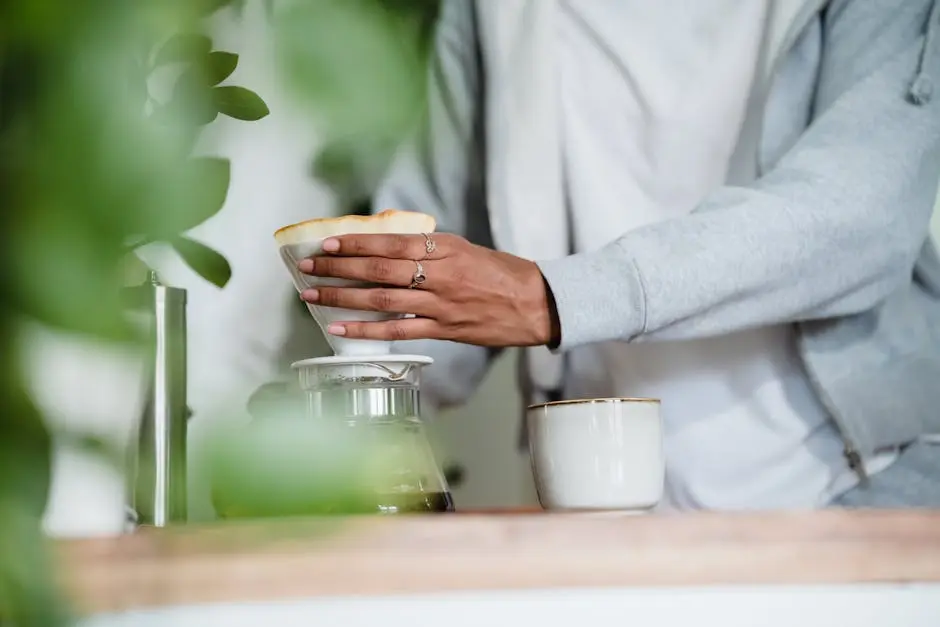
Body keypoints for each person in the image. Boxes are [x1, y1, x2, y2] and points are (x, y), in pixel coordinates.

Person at [295, 0, 940, 509]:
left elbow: (859, 215)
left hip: (869, 483)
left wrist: (549, 298)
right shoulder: (490, 10)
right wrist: (304, 436)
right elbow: (430, 263)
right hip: (605, 501)